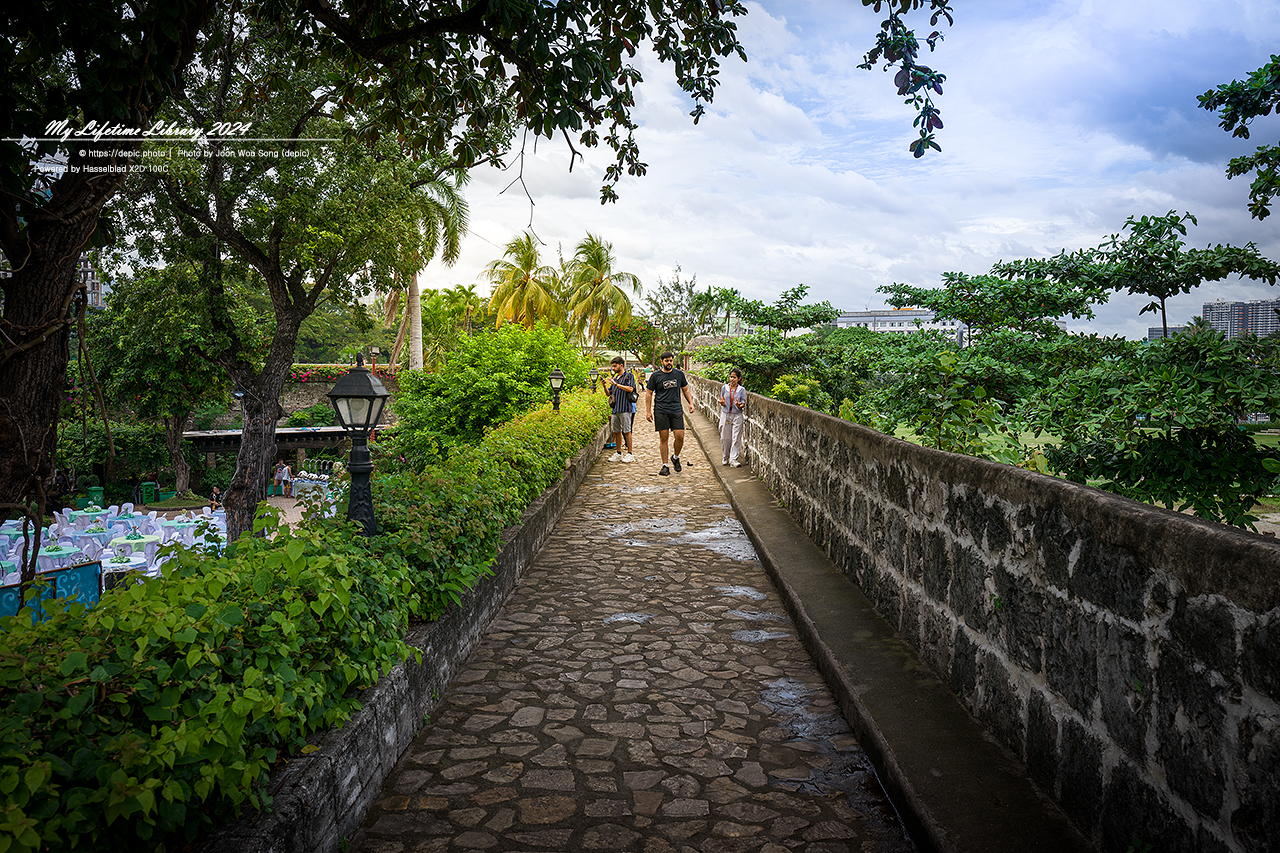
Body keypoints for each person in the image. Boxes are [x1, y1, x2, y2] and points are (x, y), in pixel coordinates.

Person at [645, 350, 695, 476]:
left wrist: (691, 403)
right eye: (666, 361)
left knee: (680, 436)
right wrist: (648, 411)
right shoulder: (656, 376)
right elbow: (649, 393)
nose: (669, 363)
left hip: (676, 408)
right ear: (661, 362)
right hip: (661, 410)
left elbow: (686, 389)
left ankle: (675, 457)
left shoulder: (679, 374)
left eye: (671, 360)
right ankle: (665, 465)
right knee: (664, 438)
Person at [603, 357, 636, 462]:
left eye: (615, 366)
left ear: (621, 365)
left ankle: (630, 453)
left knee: (627, 431)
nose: (613, 368)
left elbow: (631, 389)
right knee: (617, 431)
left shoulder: (628, 376)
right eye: (612, 366)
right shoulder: (615, 378)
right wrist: (604, 385)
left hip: (625, 408)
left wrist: (616, 384)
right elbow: (609, 393)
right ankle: (618, 453)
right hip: (615, 409)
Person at [717, 368, 747, 467]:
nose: (732, 379)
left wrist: (739, 405)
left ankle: (733, 459)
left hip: (737, 415)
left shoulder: (741, 390)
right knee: (725, 437)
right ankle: (725, 456)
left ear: (739, 379)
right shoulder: (724, 388)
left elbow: (743, 403)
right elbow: (722, 400)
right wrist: (722, 403)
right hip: (726, 414)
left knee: (736, 437)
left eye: (734, 377)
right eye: (731, 377)